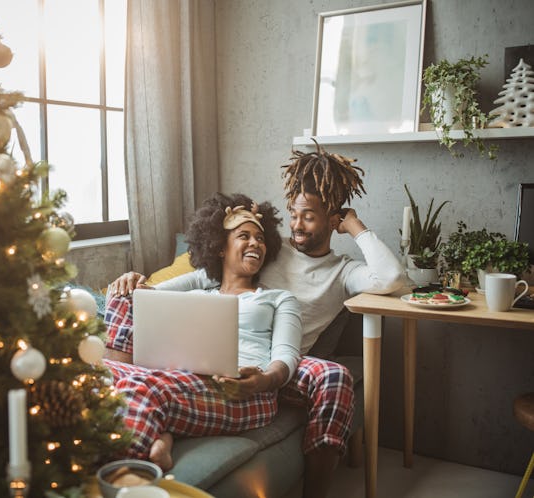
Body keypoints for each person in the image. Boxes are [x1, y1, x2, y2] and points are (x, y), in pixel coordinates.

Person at [108, 144, 404, 498]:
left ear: (331, 218)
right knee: (124, 304)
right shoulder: (267, 250)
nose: (296, 224)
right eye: (293, 213)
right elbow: (208, 278)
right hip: (219, 349)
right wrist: (139, 284)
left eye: (309, 216)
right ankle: (130, 394)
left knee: (333, 375)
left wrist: (354, 225)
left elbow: (391, 280)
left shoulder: (343, 272)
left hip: (286, 360)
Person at [103, 192, 302, 471]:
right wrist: (129, 280)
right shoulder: (199, 293)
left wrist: (264, 380)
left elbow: (287, 356)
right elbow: (143, 299)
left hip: (244, 392)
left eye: (260, 239)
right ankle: (158, 436)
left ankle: (123, 471)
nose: (255, 243)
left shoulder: (279, 298)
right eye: (244, 236)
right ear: (221, 247)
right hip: (182, 378)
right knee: (123, 297)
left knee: (136, 386)